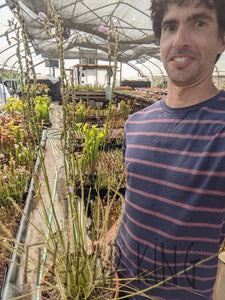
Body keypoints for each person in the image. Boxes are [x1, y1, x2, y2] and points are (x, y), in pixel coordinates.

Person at [114, 0, 225, 299]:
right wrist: (110, 238)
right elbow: (133, 200)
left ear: (221, 40)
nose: (180, 40)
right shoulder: (135, 124)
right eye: (170, 27)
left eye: (199, 23)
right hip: (118, 287)